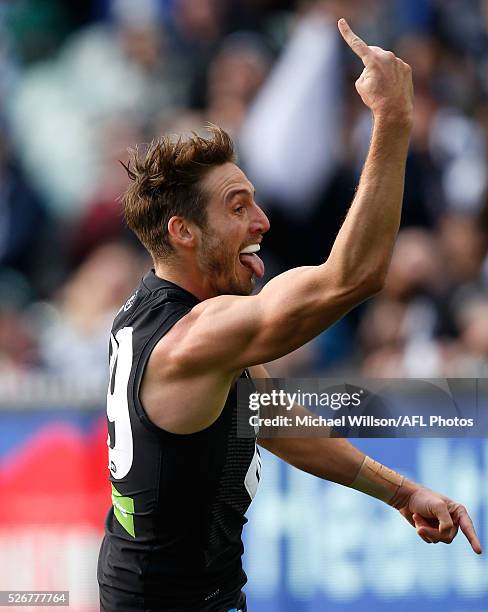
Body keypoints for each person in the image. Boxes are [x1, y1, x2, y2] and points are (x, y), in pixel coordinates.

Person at [97, 19, 482, 612]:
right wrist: (394, 120)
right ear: (184, 232)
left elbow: (270, 419)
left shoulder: (168, 318)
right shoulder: (194, 338)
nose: (263, 222)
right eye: (238, 207)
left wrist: (402, 493)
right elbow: (353, 278)